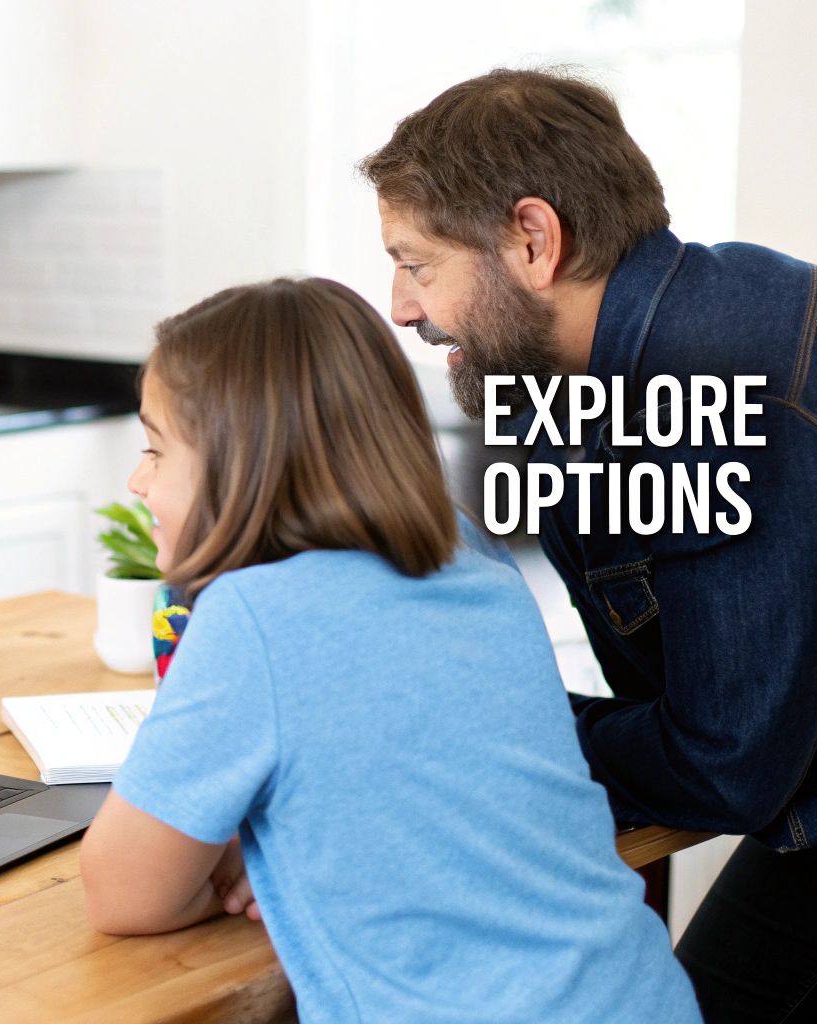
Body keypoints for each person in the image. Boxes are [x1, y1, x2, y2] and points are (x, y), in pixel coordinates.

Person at [361, 67, 817, 1022]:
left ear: (534, 241)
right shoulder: (591, 381)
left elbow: (725, 763)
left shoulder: (724, 383)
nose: (401, 305)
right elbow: (677, 693)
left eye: (418, 264)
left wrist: (499, 739)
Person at [79, 277, 699, 1023]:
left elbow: (121, 895)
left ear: (240, 462)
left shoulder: (253, 617)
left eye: (154, 448)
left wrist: (231, 858)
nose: (136, 480)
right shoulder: (472, 558)